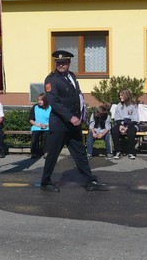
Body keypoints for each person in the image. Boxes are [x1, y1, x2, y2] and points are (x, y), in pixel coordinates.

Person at [40, 50, 107, 192]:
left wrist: (80, 111)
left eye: (63, 63)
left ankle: (89, 180)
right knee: (53, 153)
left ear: (69, 63)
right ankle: (45, 182)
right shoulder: (51, 79)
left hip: (73, 124)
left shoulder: (71, 76)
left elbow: (76, 96)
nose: (61, 65)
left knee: (80, 152)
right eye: (58, 63)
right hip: (60, 123)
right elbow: (54, 102)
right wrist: (70, 116)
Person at [111, 89, 140, 159]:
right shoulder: (118, 105)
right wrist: (120, 126)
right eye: (120, 95)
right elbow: (117, 118)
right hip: (121, 124)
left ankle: (131, 152)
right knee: (114, 130)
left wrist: (127, 126)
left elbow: (135, 119)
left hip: (131, 124)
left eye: (122, 95)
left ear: (126, 95)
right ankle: (118, 151)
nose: (120, 97)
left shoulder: (133, 105)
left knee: (131, 132)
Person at [29, 93, 51, 159]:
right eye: (38, 100)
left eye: (41, 100)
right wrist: (37, 125)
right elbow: (30, 119)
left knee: (47, 135)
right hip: (36, 126)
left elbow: (54, 120)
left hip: (47, 127)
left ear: (45, 100)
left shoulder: (50, 108)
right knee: (34, 135)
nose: (39, 101)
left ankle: (46, 152)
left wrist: (47, 125)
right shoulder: (35, 107)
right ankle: (34, 152)